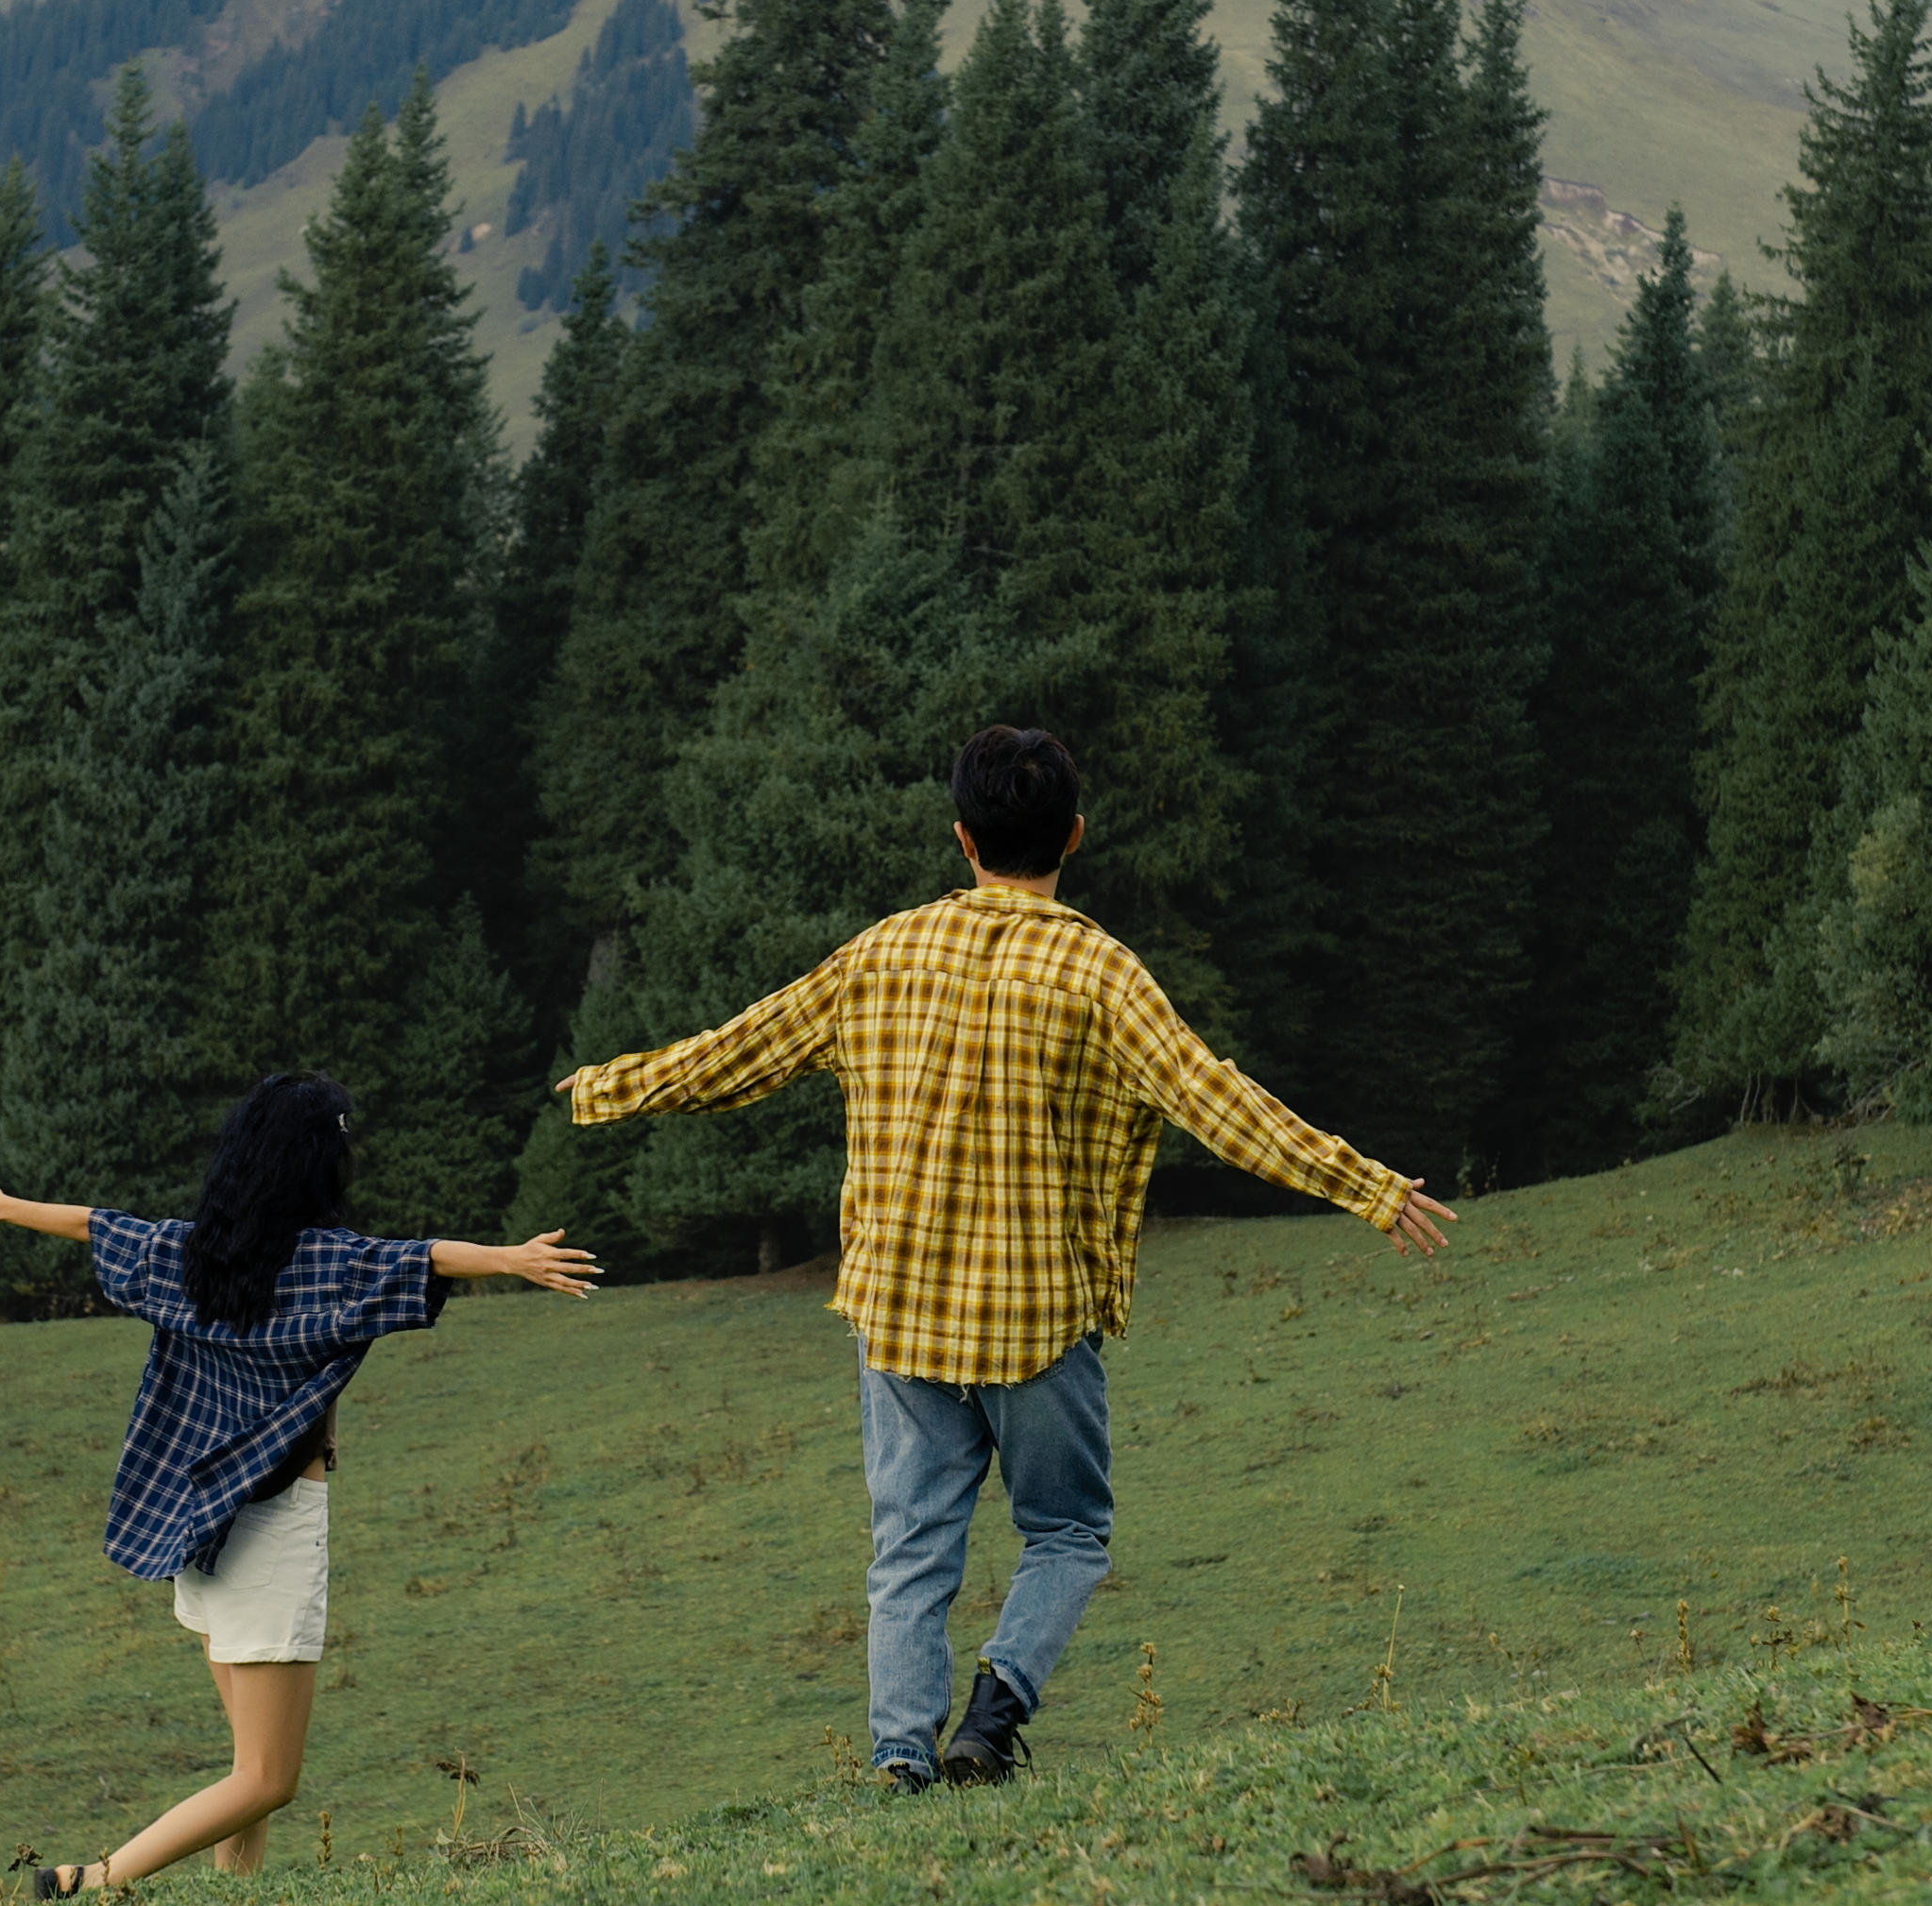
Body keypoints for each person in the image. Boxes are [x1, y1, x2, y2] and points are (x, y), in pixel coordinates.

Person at [558, 725, 1453, 1791]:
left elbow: (735, 1053)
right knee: (1069, 1530)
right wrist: (1366, 1184)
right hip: (1033, 1323)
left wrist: (603, 1085)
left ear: (961, 837)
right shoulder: (1096, 969)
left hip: (896, 1317)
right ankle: (993, 1713)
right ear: (1072, 835)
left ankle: (899, 1758)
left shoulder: (878, 953)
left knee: (908, 1555)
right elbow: (1218, 1102)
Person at [0, 1071, 599, 1897]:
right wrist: (512, 1259)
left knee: (247, 1763)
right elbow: (422, 1258)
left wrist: (4, 1206)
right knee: (268, 1777)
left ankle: (232, 1905)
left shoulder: (190, 1253)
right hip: (274, 1524)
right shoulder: (326, 1265)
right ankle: (90, 1880)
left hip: (197, 1520)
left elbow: (98, 1228)